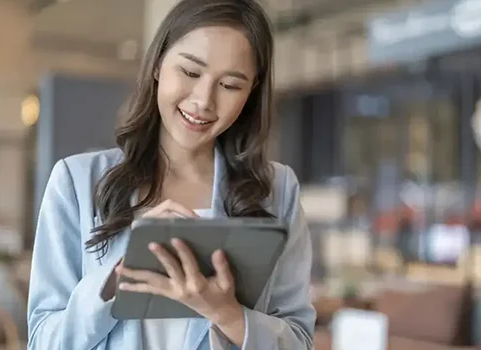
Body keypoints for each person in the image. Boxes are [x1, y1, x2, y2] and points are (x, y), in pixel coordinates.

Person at [26, 0, 316, 349]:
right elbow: (43, 340)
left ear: (251, 93)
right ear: (158, 65)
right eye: (191, 73)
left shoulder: (277, 190)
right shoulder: (77, 181)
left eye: (230, 85)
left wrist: (226, 314)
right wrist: (118, 276)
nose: (203, 101)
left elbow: (300, 342)